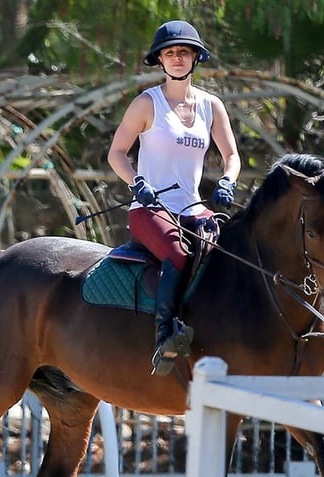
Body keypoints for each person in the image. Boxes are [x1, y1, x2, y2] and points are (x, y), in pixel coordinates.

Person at [107, 20, 241, 376]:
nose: (177, 58)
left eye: (183, 52)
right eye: (170, 53)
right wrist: (137, 182)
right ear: (160, 61)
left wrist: (228, 181)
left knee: (226, 259)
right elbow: (116, 153)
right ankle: (165, 336)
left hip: (194, 208)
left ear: (195, 58)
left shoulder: (212, 106)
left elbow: (232, 155)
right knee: (180, 256)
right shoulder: (146, 103)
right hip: (149, 209)